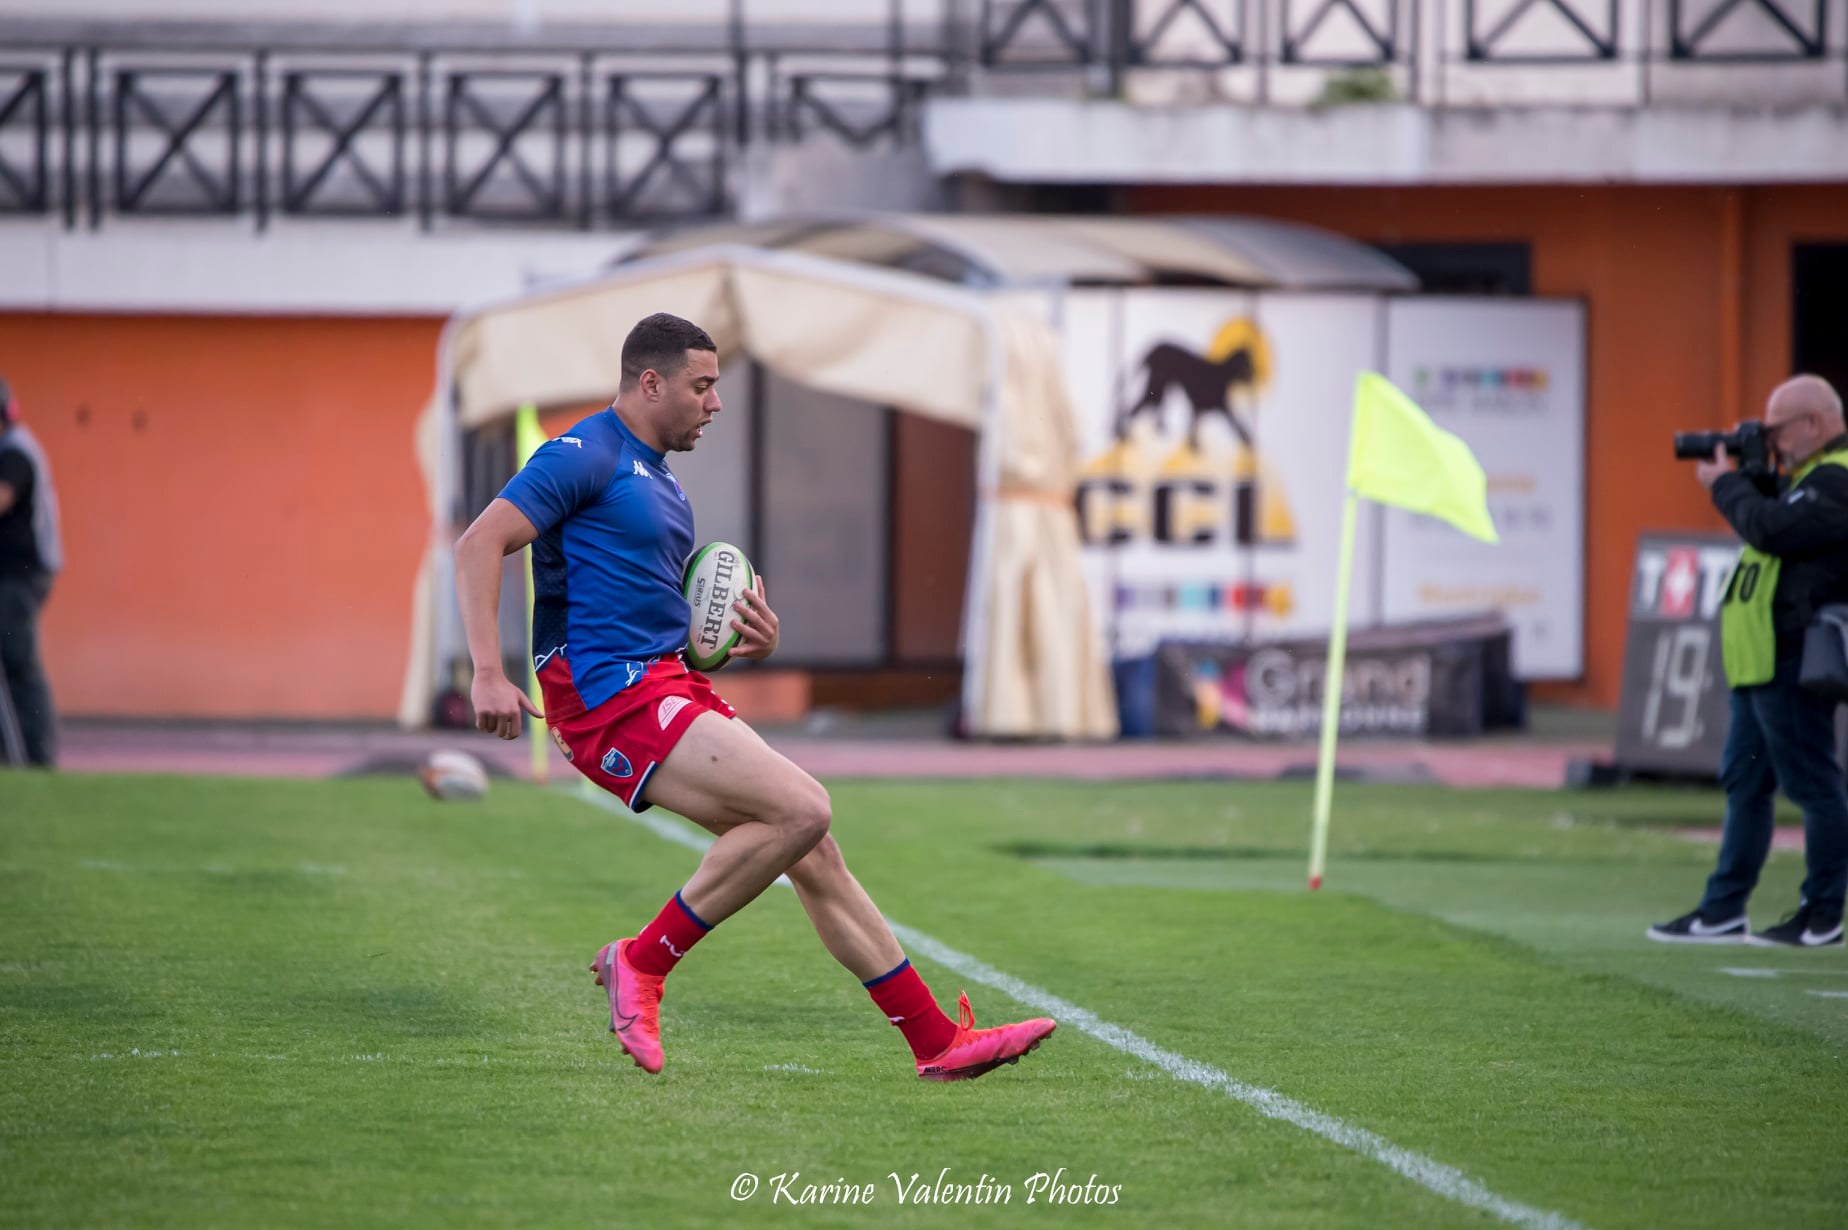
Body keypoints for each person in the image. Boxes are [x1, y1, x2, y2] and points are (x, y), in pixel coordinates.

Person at [455, 313, 1057, 1077]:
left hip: (662, 681)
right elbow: (479, 543)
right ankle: (640, 963)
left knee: (814, 850)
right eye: (702, 386)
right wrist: (485, 668)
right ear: (651, 382)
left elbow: (643, 611)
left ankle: (935, 1042)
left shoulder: (662, 486)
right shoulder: (584, 453)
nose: (714, 404)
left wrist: (743, 647)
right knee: (803, 808)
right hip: (608, 696)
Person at [1649, 374, 1848, 948]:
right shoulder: (1805, 480)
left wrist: (1726, 485)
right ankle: (1722, 909)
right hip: (1760, 656)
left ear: (1813, 424)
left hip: (1793, 654)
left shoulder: (1836, 481)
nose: (1770, 439)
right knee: (1746, 785)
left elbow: (1771, 530)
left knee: (1813, 784)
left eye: (1776, 429)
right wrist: (1753, 479)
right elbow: (1771, 519)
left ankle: (1823, 913)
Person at [0, 376, 62, 768]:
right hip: (15, 575)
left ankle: (37, 758)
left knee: (18, 659)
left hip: (21, 577)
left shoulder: (16, 454)